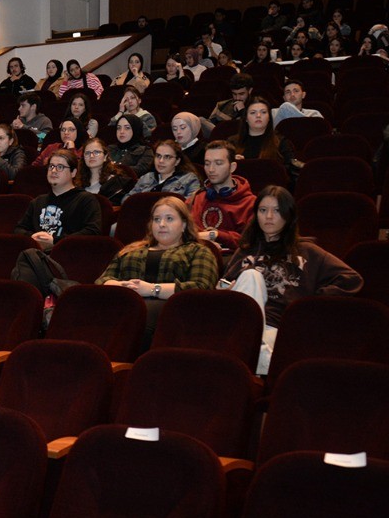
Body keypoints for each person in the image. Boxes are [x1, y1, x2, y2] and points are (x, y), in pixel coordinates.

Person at [222, 187, 363, 373]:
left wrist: (311, 302)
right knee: (250, 276)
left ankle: (257, 355)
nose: (269, 216)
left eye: (276, 210)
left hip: (278, 327)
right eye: (263, 210)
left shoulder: (307, 251)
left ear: (288, 215)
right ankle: (261, 357)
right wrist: (225, 291)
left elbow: (352, 279)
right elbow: (224, 285)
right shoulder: (245, 250)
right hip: (241, 325)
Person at [94, 197, 220, 321]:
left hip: (173, 313)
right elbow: (103, 280)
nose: (161, 224)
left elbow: (202, 288)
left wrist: (152, 289)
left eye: (169, 218)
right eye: (157, 219)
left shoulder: (199, 251)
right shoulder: (131, 249)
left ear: (184, 225)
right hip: (124, 306)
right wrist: (123, 286)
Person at [10, 149, 103, 297]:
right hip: (37, 257)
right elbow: (19, 229)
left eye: (60, 167)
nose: (54, 170)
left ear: (73, 172)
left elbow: (93, 231)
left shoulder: (86, 200)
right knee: (27, 259)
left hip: (68, 261)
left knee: (25, 264)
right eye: (51, 166)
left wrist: (55, 240)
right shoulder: (37, 202)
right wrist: (34, 238)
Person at [187, 141, 256, 255]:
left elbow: (251, 242)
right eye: (207, 163)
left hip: (231, 259)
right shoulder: (195, 199)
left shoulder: (250, 203)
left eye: (218, 163)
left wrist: (216, 235)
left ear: (232, 167)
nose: (211, 169)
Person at [228, 98, 299, 173]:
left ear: (269, 118)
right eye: (253, 113)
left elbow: (290, 170)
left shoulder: (281, 142)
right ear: (246, 118)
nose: (258, 115)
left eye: (263, 112)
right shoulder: (232, 142)